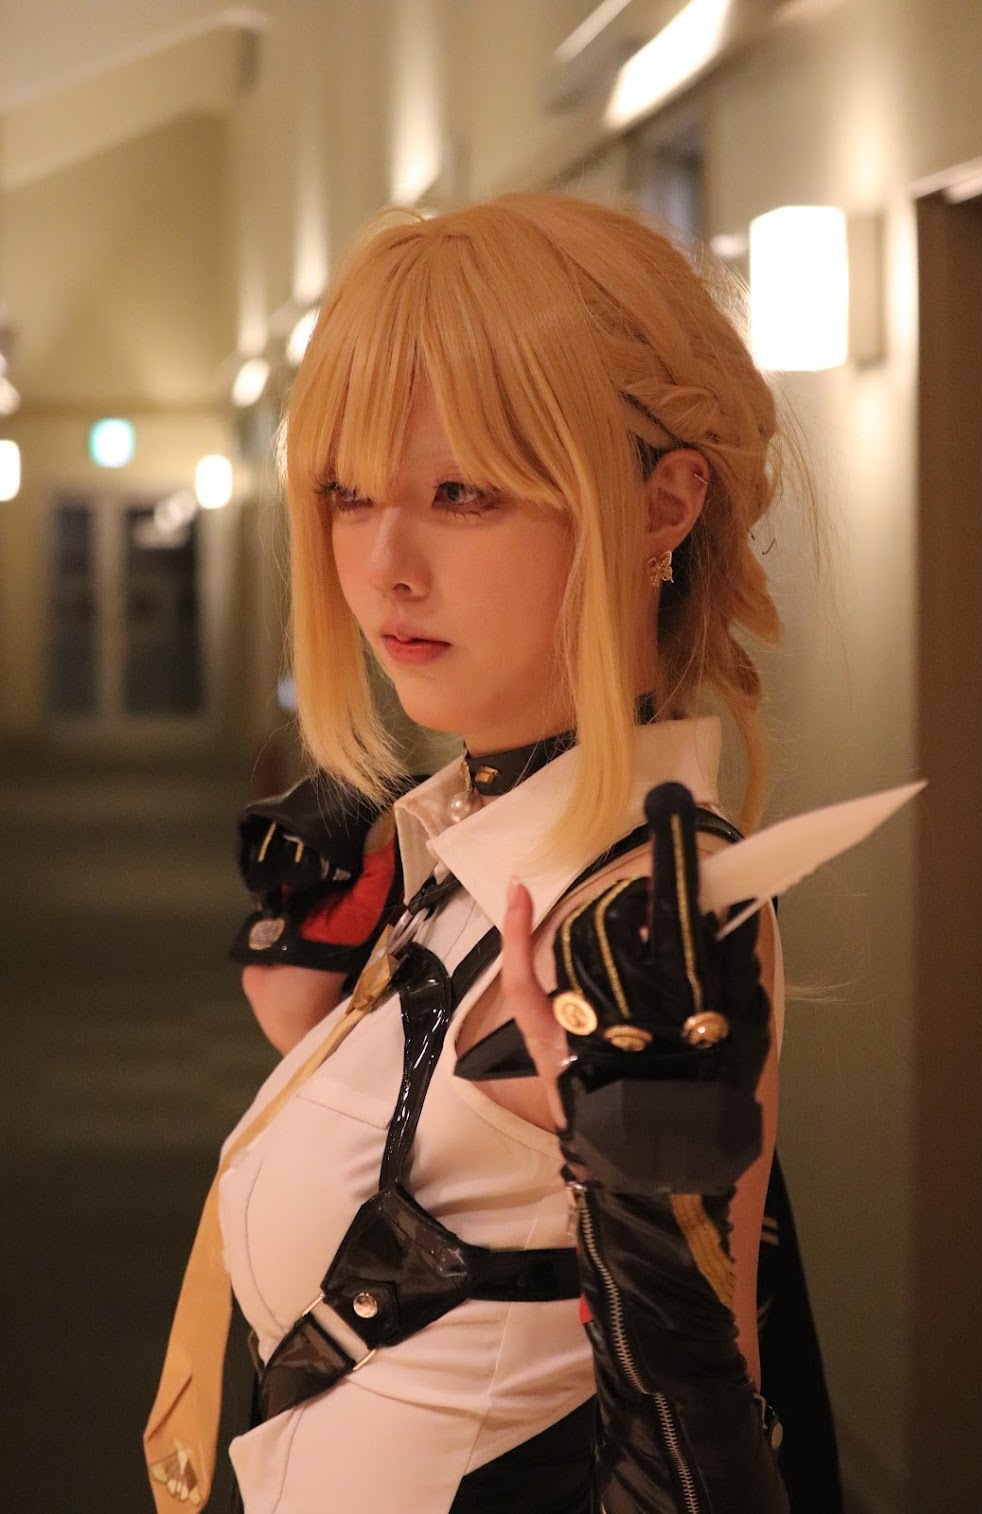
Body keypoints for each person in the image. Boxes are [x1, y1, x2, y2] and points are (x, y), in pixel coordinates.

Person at [145, 192, 839, 1514]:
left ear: (661, 504)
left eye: (460, 493)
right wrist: (323, 1035)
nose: (382, 566)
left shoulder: (638, 920)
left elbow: (704, 1454)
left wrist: (636, 1200)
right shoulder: (459, 845)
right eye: (350, 494)